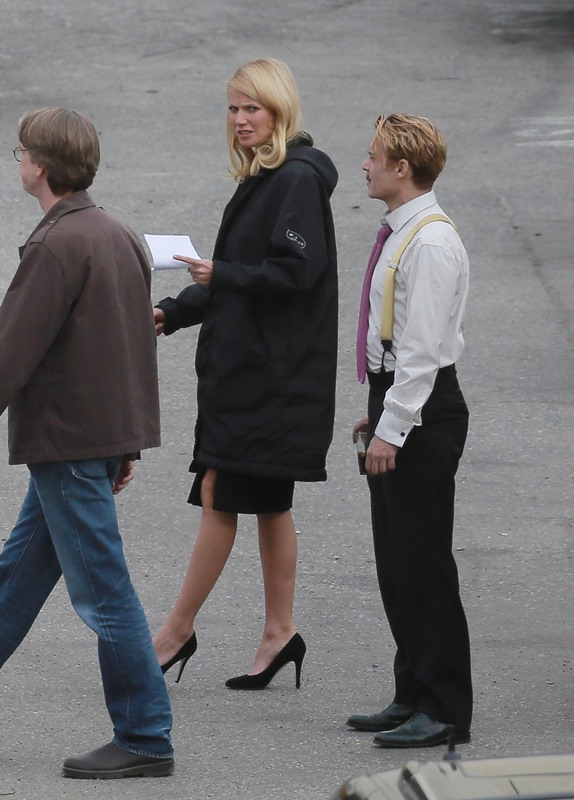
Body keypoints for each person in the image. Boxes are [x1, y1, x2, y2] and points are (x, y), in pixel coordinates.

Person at [152, 57, 338, 689]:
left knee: (218, 492)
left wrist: (222, 274)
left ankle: (176, 632)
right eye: (233, 109)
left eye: (252, 108)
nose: (239, 120)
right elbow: (235, 274)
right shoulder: (268, 176)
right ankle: (280, 631)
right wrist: (172, 311)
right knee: (268, 501)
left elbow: (295, 273)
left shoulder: (296, 180)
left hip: (268, 380)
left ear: (279, 109)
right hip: (258, 375)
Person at [0, 108, 174, 778]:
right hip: (90, 442)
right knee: (18, 577)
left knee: (104, 593)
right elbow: (127, 349)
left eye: (21, 151)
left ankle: (145, 735)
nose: (17, 160)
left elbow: (11, 353)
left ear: (41, 166)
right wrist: (125, 445)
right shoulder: (118, 233)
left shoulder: (55, 246)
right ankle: (144, 732)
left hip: (67, 443)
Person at [346, 114, 472, 748]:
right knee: (396, 562)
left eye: (373, 157)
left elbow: (421, 351)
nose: (364, 165)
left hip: (423, 407)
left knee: (423, 562)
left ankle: (445, 707)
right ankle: (412, 691)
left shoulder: (430, 242)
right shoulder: (402, 232)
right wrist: (381, 407)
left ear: (403, 168)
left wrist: (393, 426)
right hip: (399, 396)